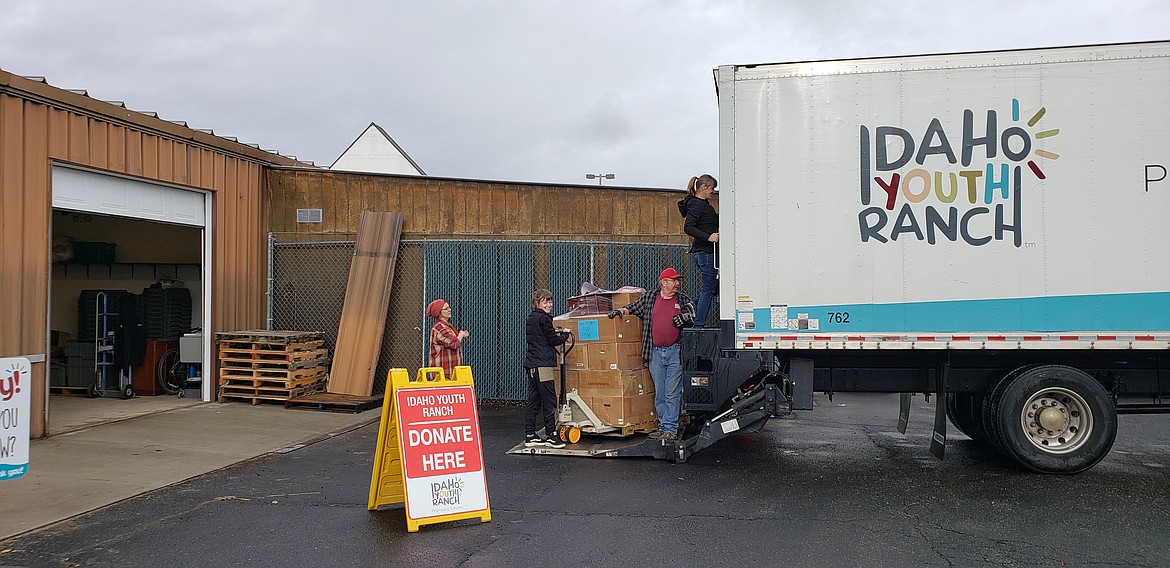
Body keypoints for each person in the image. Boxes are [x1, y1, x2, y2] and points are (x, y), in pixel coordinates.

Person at [608, 268, 695, 441]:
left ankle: (670, 428)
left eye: (678, 281)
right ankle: (663, 426)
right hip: (654, 352)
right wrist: (621, 312)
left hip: (675, 352)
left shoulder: (683, 300)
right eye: (673, 280)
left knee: (672, 392)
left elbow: (693, 315)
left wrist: (685, 318)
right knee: (660, 392)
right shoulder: (650, 298)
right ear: (663, 282)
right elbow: (633, 307)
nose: (677, 283)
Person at [523, 289, 571, 448]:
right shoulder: (544, 319)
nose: (549, 304)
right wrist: (564, 335)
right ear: (537, 303)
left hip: (532, 365)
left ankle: (530, 434)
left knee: (534, 400)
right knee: (550, 400)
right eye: (545, 301)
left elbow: (540, 337)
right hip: (543, 365)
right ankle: (551, 435)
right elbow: (553, 341)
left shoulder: (531, 317)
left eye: (550, 301)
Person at [677, 174, 719, 327]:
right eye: (712, 188)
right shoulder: (697, 204)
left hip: (707, 252)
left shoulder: (704, 204)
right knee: (708, 290)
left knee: (716, 288)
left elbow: (710, 221)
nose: (712, 192)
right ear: (703, 187)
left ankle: (692, 305)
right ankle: (698, 325)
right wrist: (708, 237)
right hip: (706, 252)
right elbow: (688, 227)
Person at [426, 298, 469, 379]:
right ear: (439, 312)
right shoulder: (439, 328)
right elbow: (454, 343)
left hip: (449, 372)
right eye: (446, 308)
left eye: (449, 308)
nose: (449, 310)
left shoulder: (446, 326)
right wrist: (461, 334)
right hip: (443, 374)